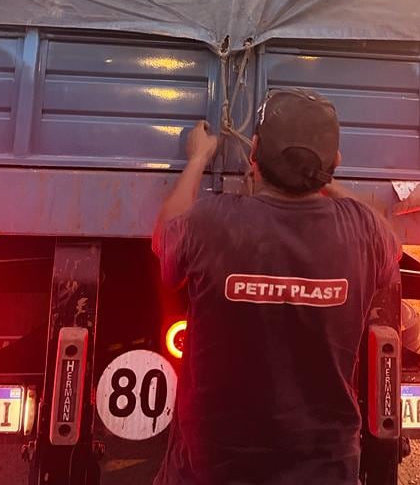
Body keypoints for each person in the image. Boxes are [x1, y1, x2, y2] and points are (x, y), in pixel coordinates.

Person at [152, 87, 401, 485]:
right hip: (325, 471)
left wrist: (198, 159)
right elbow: (390, 245)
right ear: (334, 162)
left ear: (253, 154)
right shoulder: (362, 230)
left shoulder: (210, 223)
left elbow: (165, 241)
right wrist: (325, 181)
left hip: (211, 469)